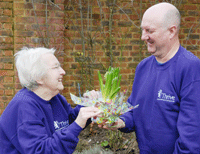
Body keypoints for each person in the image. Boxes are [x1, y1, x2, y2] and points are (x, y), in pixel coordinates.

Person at [97, 2, 200, 153]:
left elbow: (192, 134)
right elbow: (134, 109)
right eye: (142, 30)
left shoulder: (190, 68)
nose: (143, 37)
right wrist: (120, 122)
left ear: (171, 31)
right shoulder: (143, 67)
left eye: (149, 31)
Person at [0, 47, 101, 154]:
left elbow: (68, 123)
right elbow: (41, 151)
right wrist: (77, 124)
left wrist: (88, 105)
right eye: (55, 67)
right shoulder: (25, 106)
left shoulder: (55, 98)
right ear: (38, 77)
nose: (63, 71)